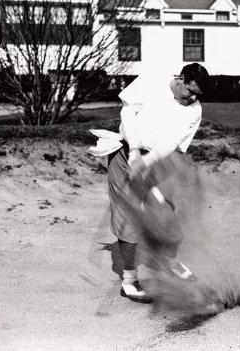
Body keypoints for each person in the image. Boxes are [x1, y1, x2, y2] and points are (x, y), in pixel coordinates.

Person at [89, 63, 210, 303]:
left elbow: (172, 145)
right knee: (127, 218)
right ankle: (129, 281)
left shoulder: (194, 110)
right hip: (125, 154)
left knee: (172, 213)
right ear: (180, 79)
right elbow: (126, 113)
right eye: (189, 91)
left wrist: (147, 162)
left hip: (159, 161)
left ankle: (170, 260)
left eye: (198, 95)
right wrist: (134, 152)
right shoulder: (154, 78)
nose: (193, 98)